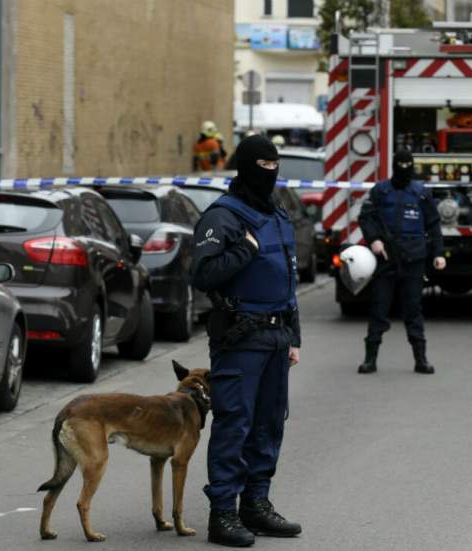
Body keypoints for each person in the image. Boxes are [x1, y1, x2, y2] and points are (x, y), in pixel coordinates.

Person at [191, 135, 302, 547]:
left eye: (276, 165)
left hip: (276, 337)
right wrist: (244, 252)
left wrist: (294, 337)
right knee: (234, 425)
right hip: (240, 338)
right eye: (264, 165)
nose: (271, 172)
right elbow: (202, 274)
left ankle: (256, 505)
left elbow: (288, 280)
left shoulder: (277, 214)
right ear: (247, 166)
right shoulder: (223, 217)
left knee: (269, 425)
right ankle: (222, 513)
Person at [356, 149, 446, 375]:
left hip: (413, 259)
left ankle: (421, 359)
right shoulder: (380, 191)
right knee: (379, 308)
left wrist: (438, 253)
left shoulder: (421, 193)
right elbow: (366, 217)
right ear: (394, 165)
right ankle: (370, 359)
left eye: (408, 164)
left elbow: (433, 225)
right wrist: (374, 240)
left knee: (413, 309)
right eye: (400, 164)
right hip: (385, 259)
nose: (404, 169)